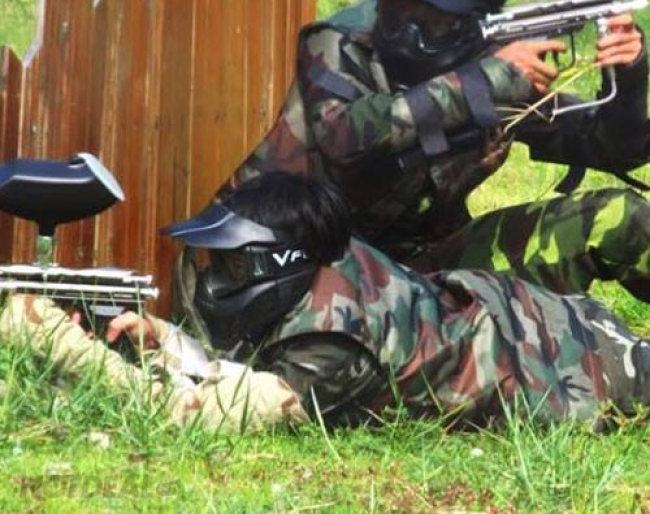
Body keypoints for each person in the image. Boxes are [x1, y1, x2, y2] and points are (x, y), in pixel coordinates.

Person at [6, 171, 650, 432]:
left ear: (278, 264)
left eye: (230, 263)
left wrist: (61, 345)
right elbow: (243, 365)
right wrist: (168, 342)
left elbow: (197, 414)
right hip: (526, 319)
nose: (213, 279)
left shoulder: (338, 345)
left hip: (593, 370)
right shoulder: (323, 257)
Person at [217, 0, 650, 301]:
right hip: (310, 275)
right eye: (395, 12)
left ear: (472, 26)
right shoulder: (341, 43)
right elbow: (344, 136)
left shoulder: (487, 62)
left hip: (423, 273)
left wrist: (630, 76)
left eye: (431, 23)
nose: (405, 34)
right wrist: (479, 84)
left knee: (621, 218)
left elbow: (610, 147)